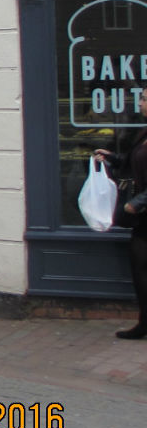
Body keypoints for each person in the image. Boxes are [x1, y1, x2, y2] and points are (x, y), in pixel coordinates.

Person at [96, 89, 147, 339]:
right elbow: (133, 161)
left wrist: (136, 202)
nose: (140, 103)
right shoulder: (144, 131)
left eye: (145, 99)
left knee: (142, 267)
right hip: (144, 217)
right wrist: (113, 158)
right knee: (139, 268)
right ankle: (144, 322)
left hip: (142, 210)